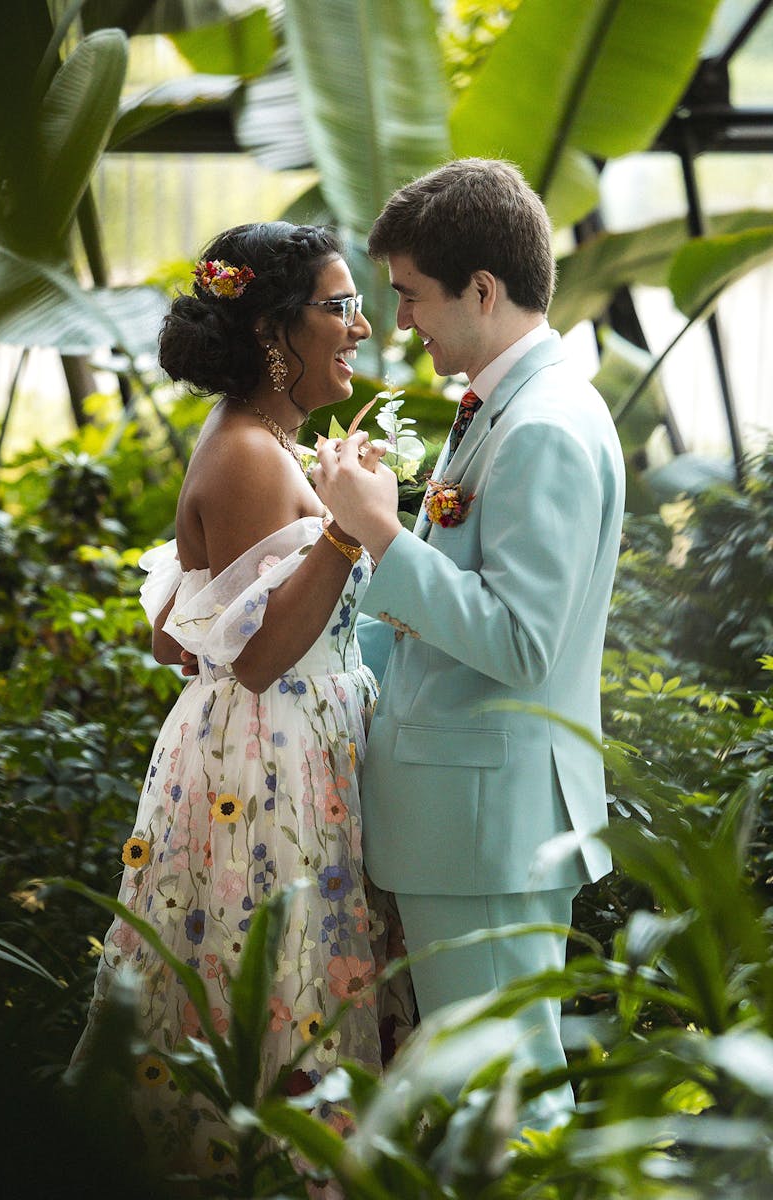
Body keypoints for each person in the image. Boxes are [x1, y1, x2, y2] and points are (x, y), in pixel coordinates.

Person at [69, 221, 413, 1176]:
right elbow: (257, 658)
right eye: (342, 309)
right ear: (275, 331)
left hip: (262, 745)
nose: (362, 330)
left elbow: (174, 635)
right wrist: (345, 534)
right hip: (274, 762)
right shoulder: (253, 454)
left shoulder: (254, 441)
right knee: (286, 983)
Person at [312, 158, 626, 1129]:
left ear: (481, 291)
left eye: (409, 296)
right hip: (470, 818)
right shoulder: (506, 406)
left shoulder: (542, 427)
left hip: (487, 829)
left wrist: (383, 534)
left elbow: (522, 642)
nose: (398, 321)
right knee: (481, 1100)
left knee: (505, 1110)